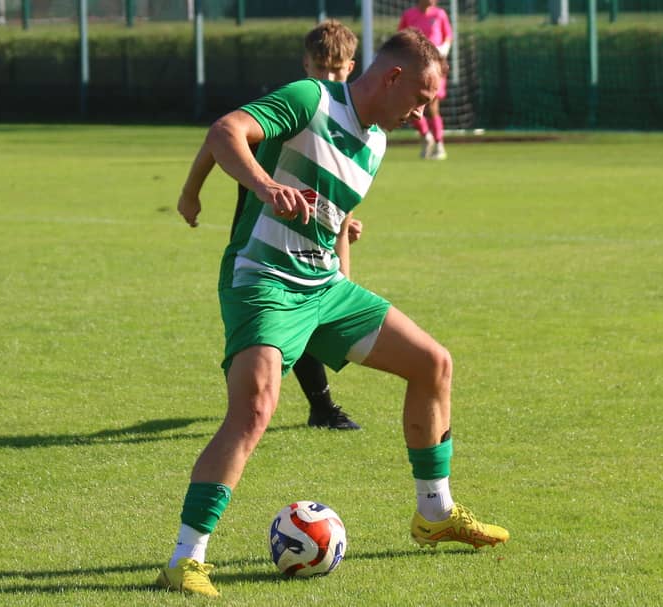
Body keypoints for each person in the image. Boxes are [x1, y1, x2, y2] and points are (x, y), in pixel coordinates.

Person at [158, 28, 509, 598]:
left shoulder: (377, 143)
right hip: (265, 280)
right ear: (392, 77)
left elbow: (332, 216)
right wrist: (263, 186)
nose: (422, 115)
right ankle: (185, 559)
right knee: (254, 410)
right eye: (421, 99)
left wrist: (343, 265)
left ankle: (434, 513)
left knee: (433, 363)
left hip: (325, 287)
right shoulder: (311, 98)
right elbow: (226, 131)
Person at [177, 20, 364, 431]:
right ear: (305, 65)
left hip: (311, 243)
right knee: (278, 322)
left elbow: (337, 192)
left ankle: (317, 407)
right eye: (320, 68)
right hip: (261, 238)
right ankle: (310, 405)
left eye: (336, 70)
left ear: (351, 68)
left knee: (305, 315)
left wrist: (341, 231)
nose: (328, 77)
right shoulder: (294, 106)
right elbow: (219, 138)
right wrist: (191, 193)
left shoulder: (352, 124)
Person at [398, 0, 453, 160]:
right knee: (410, 105)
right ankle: (425, 135)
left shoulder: (440, 14)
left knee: (433, 105)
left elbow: (448, 36)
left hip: (435, 66)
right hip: (415, 66)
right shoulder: (409, 15)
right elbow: (400, 38)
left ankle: (439, 144)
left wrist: (443, 49)